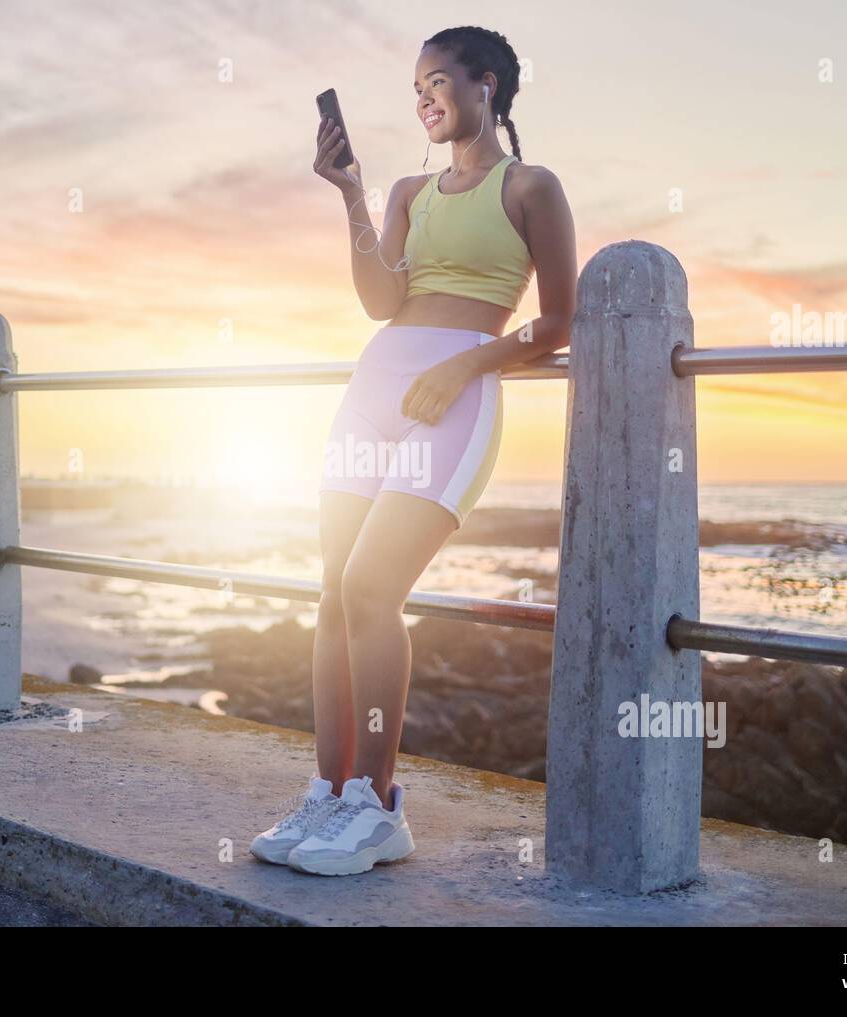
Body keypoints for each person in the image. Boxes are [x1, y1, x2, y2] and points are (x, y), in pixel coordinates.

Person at [251, 26, 576, 877]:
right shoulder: (407, 190)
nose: (424, 98)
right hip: (370, 394)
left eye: (437, 81)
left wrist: (468, 361)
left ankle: (379, 806)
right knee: (332, 594)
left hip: (453, 403)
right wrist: (352, 196)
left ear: (488, 84)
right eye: (415, 89)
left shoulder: (532, 187)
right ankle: (329, 790)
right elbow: (379, 298)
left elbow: (558, 322)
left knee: (370, 586)